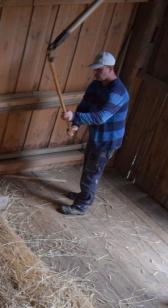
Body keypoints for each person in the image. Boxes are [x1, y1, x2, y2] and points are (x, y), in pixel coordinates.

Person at [58, 51, 130, 215]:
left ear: (110, 68)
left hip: (108, 141)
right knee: (89, 168)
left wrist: (74, 116)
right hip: (97, 136)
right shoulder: (96, 85)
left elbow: (100, 118)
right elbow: (85, 106)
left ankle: (81, 205)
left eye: (99, 69)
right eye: (95, 69)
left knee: (92, 172)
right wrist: (75, 124)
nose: (95, 72)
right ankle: (84, 195)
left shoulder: (118, 92)